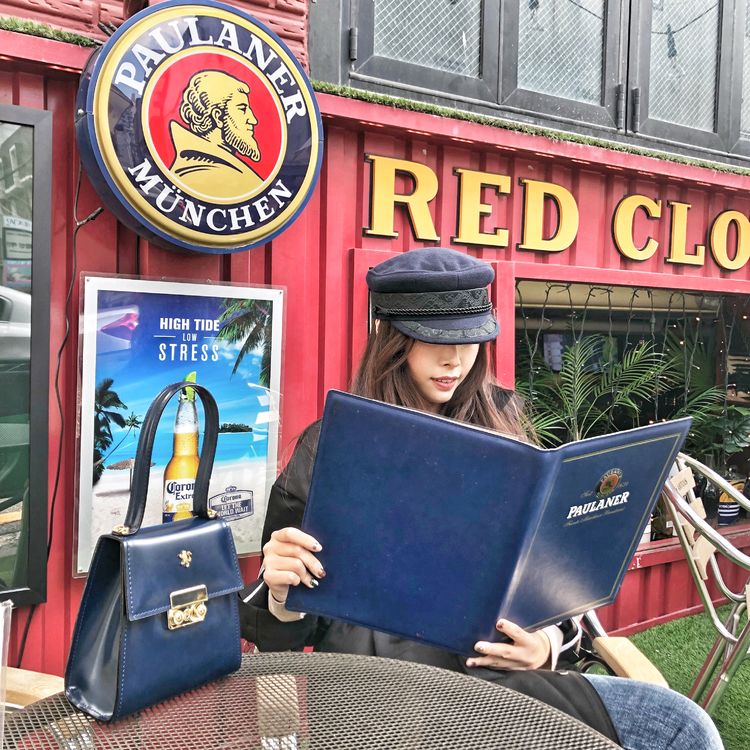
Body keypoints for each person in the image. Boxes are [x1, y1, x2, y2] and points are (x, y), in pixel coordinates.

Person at [240, 247, 723, 750]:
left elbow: (550, 578)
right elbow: (278, 634)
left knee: (682, 728)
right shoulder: (330, 448)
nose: (454, 359)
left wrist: (547, 642)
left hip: (499, 677)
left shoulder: (504, 424)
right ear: (388, 335)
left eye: (470, 339)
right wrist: (282, 597)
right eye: (434, 339)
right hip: (380, 693)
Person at [169, 70, 263, 198]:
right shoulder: (199, 173)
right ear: (218, 117)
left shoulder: (231, 173)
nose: (253, 120)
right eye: (242, 109)